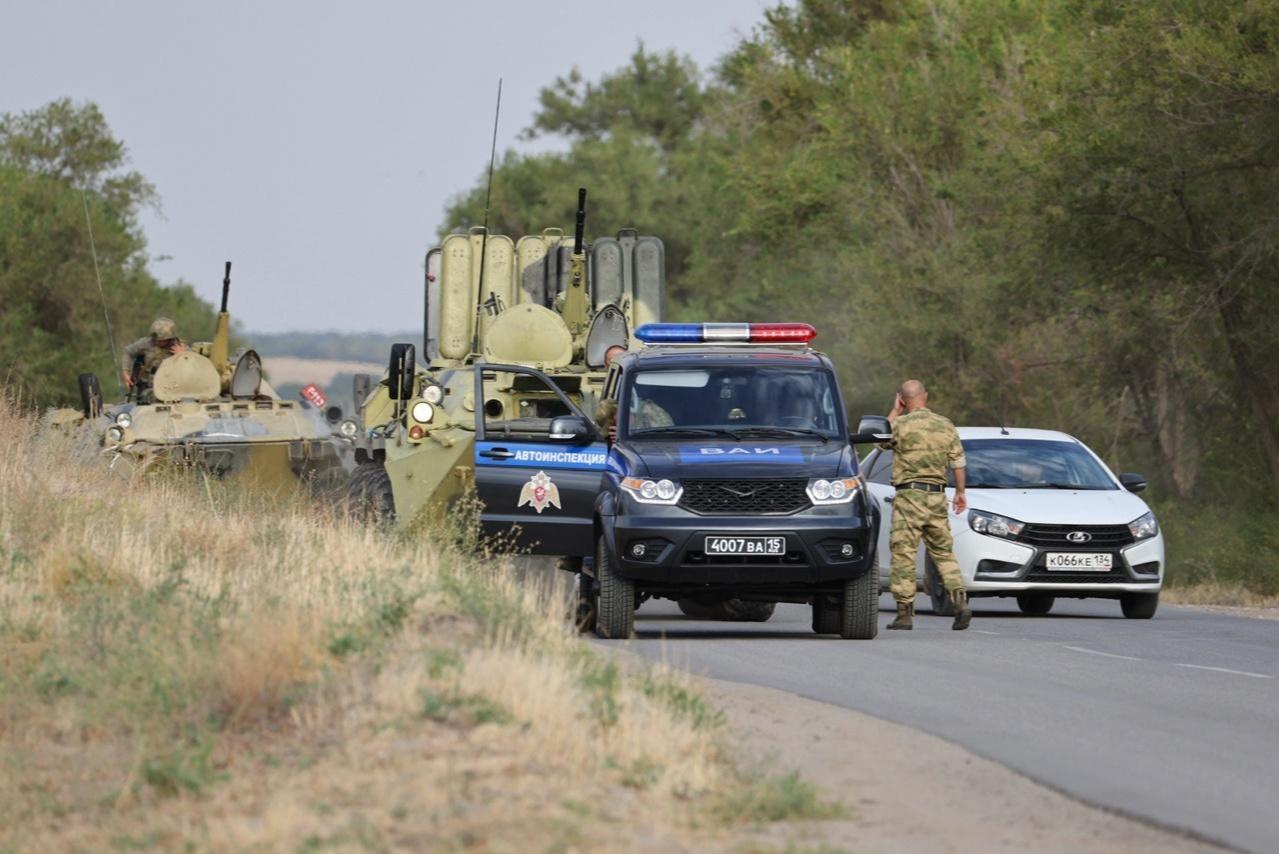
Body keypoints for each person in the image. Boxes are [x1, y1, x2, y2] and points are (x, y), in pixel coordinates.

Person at [882, 379, 971, 631]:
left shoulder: (899, 424)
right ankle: (960, 602)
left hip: (909, 496)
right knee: (943, 552)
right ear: (926, 396)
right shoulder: (945, 425)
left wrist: (895, 411)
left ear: (902, 398)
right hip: (936, 497)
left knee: (904, 554)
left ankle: (904, 614)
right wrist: (961, 492)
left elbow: (880, 441)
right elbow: (958, 462)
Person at [121, 317, 186, 402]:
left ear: (170, 339)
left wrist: (184, 355)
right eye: (155, 339)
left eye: (161, 340)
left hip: (171, 389)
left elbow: (194, 367)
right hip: (147, 387)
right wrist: (126, 372)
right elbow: (128, 352)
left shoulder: (181, 348)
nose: (157, 342)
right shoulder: (146, 343)